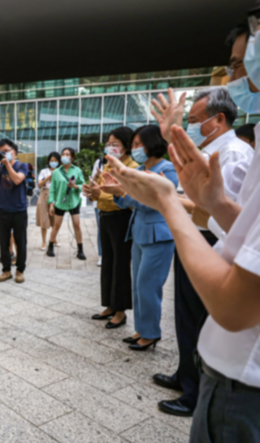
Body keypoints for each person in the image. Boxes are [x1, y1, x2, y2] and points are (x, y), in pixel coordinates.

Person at [105, 123, 260, 443]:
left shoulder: (231, 152)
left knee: (150, 287)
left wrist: (168, 204)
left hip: (243, 381)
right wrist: (214, 203)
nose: (240, 72)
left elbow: (234, 307)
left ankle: (150, 336)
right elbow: (246, 231)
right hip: (231, 373)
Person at [150, 85, 254, 416]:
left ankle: (194, 392)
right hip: (199, 234)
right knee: (185, 313)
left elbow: (226, 216)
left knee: (197, 315)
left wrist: (165, 200)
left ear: (218, 119)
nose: (191, 126)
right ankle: (185, 374)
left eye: (194, 120)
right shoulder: (210, 151)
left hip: (212, 239)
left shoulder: (233, 153)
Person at [101, 125, 177, 351]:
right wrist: (118, 193)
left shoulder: (167, 169)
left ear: (153, 143)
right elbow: (129, 201)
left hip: (158, 235)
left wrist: (124, 193)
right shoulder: (140, 169)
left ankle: (151, 333)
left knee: (148, 286)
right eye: (133, 145)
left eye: (137, 145)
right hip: (139, 231)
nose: (134, 149)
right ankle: (141, 330)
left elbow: (156, 201)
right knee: (138, 286)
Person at [83, 127, 137, 329]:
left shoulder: (132, 167)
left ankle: (121, 311)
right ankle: (109, 305)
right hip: (105, 216)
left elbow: (126, 195)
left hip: (122, 217)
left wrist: (99, 194)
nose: (110, 147)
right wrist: (90, 190)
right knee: (108, 262)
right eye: (109, 144)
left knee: (121, 264)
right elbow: (99, 189)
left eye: (115, 144)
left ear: (127, 145)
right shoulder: (107, 166)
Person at [0, 139, 29, 283]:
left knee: (20, 242)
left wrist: (7, 164)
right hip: (3, 210)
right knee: (3, 242)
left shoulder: (22, 165)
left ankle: (20, 271)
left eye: (6, 151)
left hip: (19, 210)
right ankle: (6, 271)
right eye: (1, 151)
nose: (4, 154)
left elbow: (17, 180)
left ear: (14, 151)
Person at [46, 147, 86, 260]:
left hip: (74, 201)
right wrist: (51, 204)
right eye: (63, 154)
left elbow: (83, 185)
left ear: (72, 157)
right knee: (56, 225)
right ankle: (50, 247)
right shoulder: (57, 172)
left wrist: (75, 186)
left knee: (77, 225)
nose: (64, 156)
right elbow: (52, 189)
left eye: (67, 154)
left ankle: (80, 250)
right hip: (60, 202)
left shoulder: (77, 170)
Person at [36, 152, 60, 251]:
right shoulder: (43, 171)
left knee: (55, 220)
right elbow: (40, 184)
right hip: (44, 195)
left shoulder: (61, 171)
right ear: (48, 161)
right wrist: (48, 178)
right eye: (51, 160)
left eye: (55, 161)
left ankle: (53, 239)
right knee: (44, 219)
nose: (53, 162)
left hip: (56, 196)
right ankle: (44, 241)